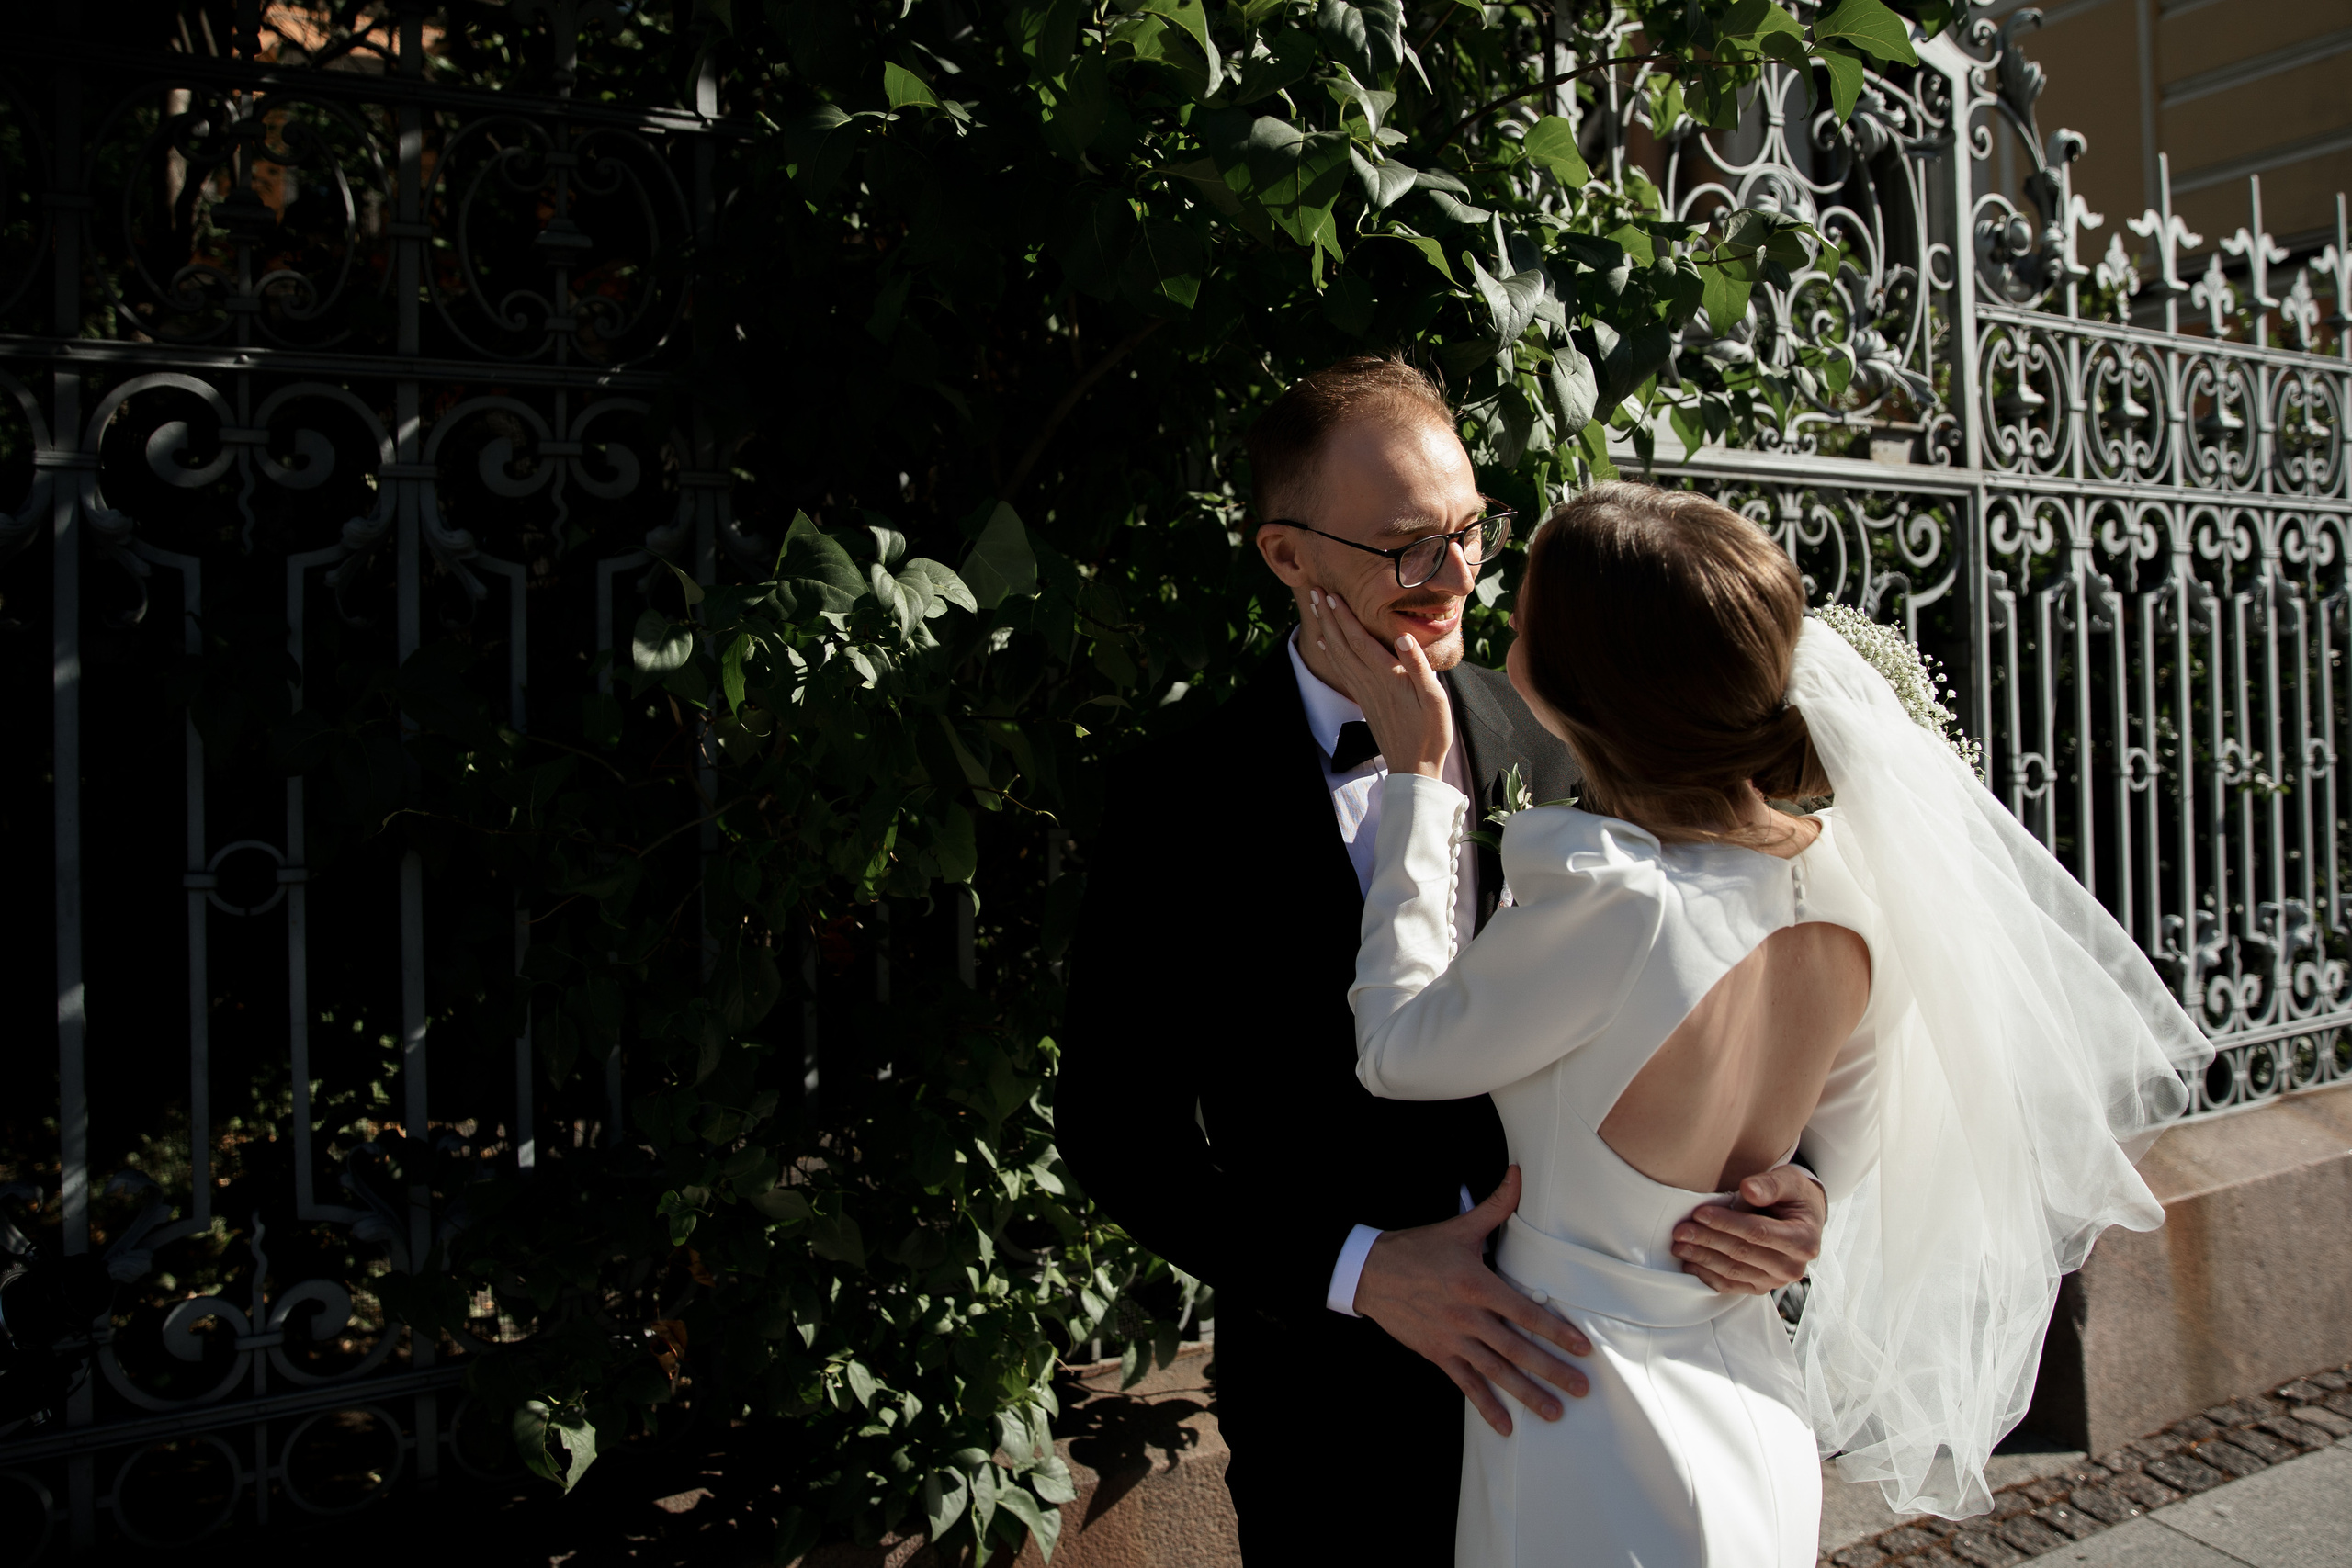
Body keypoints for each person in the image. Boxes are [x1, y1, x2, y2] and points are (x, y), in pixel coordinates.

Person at [1317, 481, 2212, 1565]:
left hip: (1583, 1408)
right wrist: (1811, 1197)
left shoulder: (1616, 896)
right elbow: (1849, 1127)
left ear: (1580, 681)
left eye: (1526, 619)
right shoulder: (1849, 884)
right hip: (1751, 1401)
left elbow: (1400, 1054)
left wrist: (1419, 787)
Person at [1056, 363, 1827, 1564]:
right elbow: (1115, 1130)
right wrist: (1360, 1270)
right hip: (1340, 1410)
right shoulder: (1178, 798)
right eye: (1410, 544)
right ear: (1288, 556)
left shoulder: (1565, 722)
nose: (1458, 575)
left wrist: (1793, 1186)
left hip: (1603, 1385)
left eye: (1469, 530)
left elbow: (1736, 963)